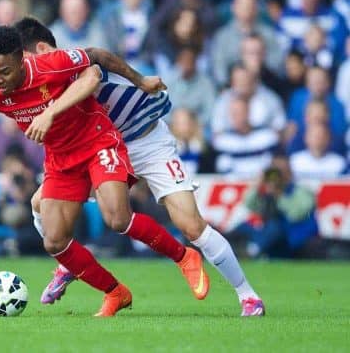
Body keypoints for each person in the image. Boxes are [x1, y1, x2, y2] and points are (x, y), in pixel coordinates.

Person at [0, 25, 208, 317]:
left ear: (21, 60)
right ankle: (115, 292)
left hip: (97, 141)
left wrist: (140, 80)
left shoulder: (50, 65)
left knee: (117, 218)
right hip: (61, 159)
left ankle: (184, 257)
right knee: (54, 241)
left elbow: (97, 55)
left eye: (5, 71)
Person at [14, 17, 264, 316]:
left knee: (191, 225)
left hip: (147, 142)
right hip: (96, 146)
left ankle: (247, 295)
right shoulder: (36, 83)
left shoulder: (71, 63)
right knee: (40, 203)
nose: (21, 70)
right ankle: (66, 264)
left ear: (41, 49)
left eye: (24, 60)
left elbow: (98, 63)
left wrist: (140, 79)